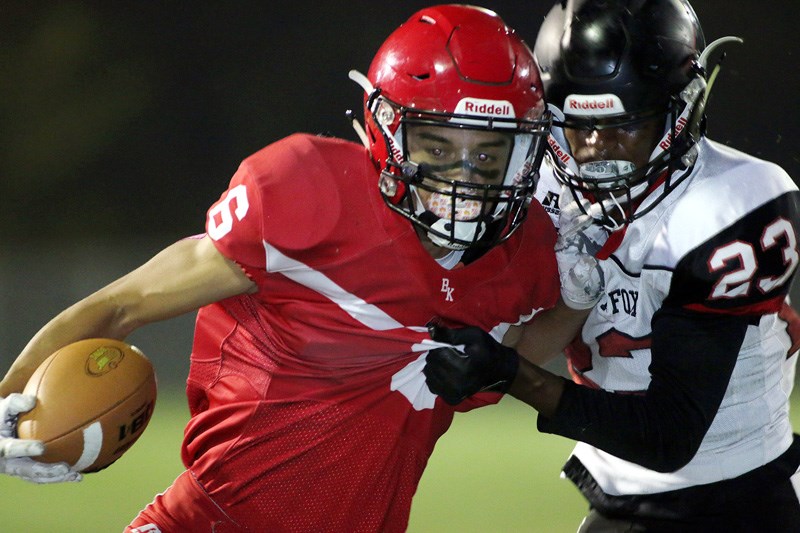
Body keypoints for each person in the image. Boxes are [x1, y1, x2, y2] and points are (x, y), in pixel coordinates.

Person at [0, 5, 597, 531]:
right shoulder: (313, 194)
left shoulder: (524, 255)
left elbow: (510, 355)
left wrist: (575, 298)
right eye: (437, 147)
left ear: (524, 155)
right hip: (208, 521)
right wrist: (4, 403)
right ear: (389, 132)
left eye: (487, 154)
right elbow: (121, 305)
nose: (461, 180)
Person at [424, 0, 800, 531]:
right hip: (615, 491)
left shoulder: (734, 203)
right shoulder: (539, 186)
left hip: (734, 495)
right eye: (580, 124)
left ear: (681, 108)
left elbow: (670, 437)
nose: (599, 148)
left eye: (625, 124)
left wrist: (510, 375)